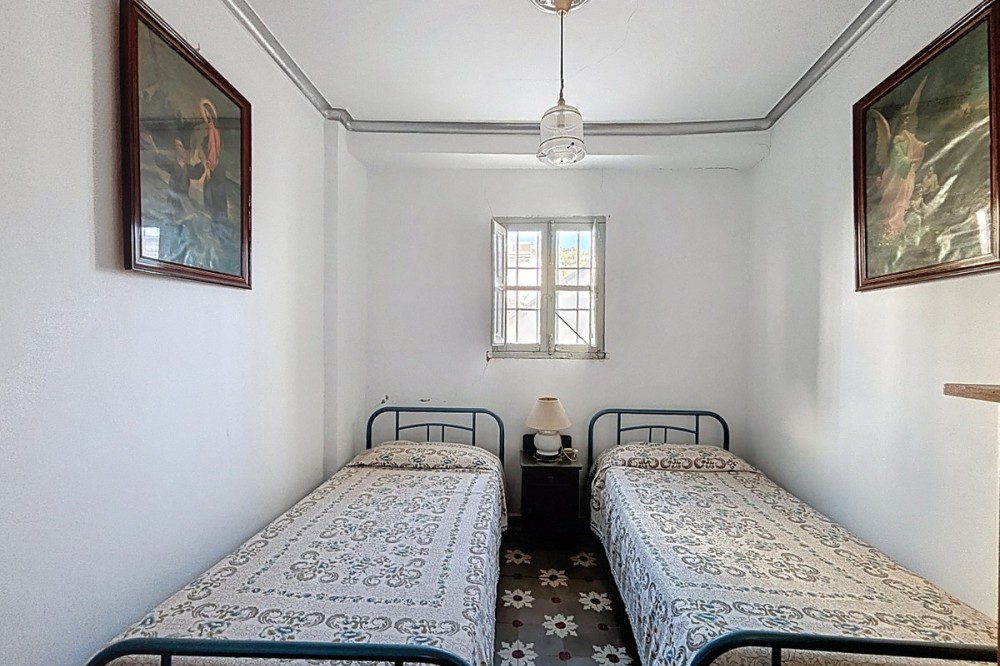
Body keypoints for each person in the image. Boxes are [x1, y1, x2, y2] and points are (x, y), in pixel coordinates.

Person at [198, 98, 228, 222]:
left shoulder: (219, 135)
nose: (207, 116)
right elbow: (202, 152)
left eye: (208, 113)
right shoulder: (206, 138)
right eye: (204, 114)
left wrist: (213, 166)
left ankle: (220, 221)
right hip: (210, 170)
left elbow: (219, 152)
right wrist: (207, 166)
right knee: (209, 197)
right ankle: (211, 221)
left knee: (218, 197)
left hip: (218, 170)